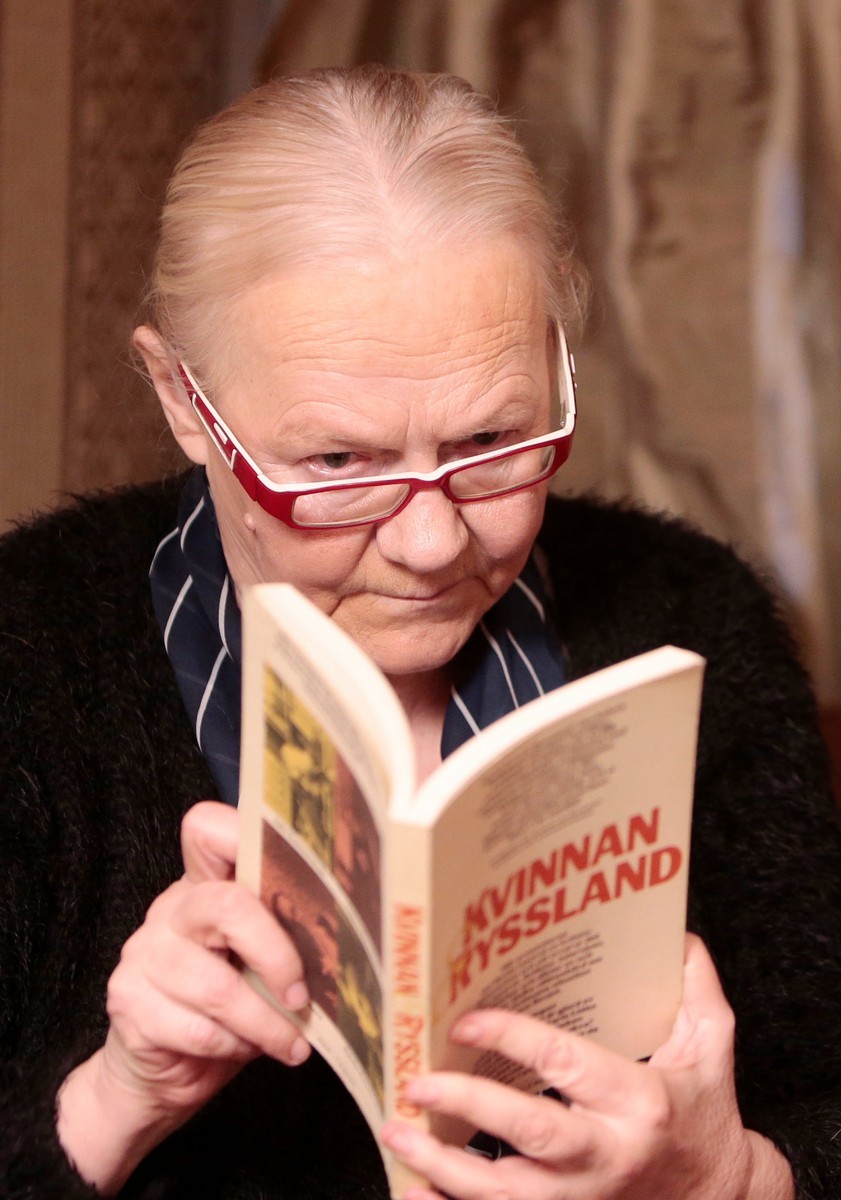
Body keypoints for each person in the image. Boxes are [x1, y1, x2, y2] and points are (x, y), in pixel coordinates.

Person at [2, 63, 841, 1200]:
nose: (433, 543)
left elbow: (819, 1101)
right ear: (183, 402)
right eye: (338, 462)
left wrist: (728, 1178)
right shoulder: (27, 651)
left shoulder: (693, 617)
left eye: (492, 441)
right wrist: (114, 1099)